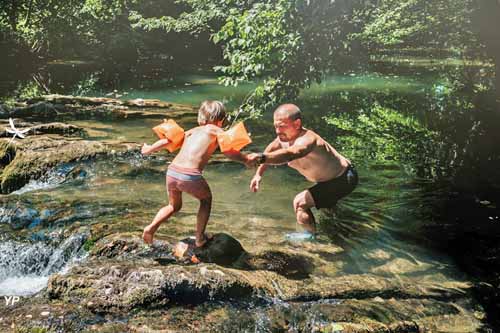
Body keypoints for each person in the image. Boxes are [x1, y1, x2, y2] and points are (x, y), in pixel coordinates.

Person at [142, 100, 257, 247]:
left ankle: (150, 228)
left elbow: (168, 141)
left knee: (173, 206)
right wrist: (245, 159)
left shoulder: (191, 131)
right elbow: (228, 151)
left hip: (172, 172)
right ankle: (199, 238)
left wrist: (149, 149)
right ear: (221, 120)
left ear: (201, 117)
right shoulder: (217, 131)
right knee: (206, 200)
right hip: (190, 175)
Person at [249, 104, 358, 237]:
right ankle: (340, 226)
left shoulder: (308, 140)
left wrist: (261, 158)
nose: (277, 131)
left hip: (343, 178)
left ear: (297, 124)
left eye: (282, 126)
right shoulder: (283, 138)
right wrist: (258, 174)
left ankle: (310, 238)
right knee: (327, 212)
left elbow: (291, 154)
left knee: (300, 203)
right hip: (327, 180)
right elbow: (270, 150)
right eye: (276, 126)